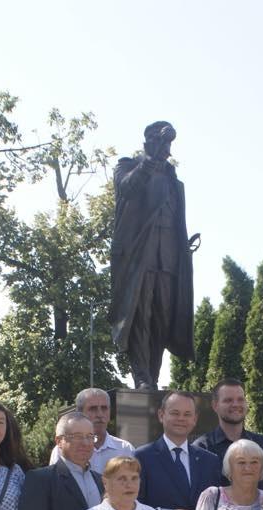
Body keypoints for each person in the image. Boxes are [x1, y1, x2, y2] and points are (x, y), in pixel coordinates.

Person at [109, 121, 195, 389]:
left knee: (162, 318)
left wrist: (183, 246)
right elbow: (126, 188)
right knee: (139, 315)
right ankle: (141, 376)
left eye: (169, 145)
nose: (166, 151)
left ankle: (153, 379)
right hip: (139, 257)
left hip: (169, 259)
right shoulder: (127, 166)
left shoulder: (173, 180)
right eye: (161, 143)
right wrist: (148, 160)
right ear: (148, 143)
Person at [192, 378, 263, 489]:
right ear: (215, 406)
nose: (235, 404)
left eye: (240, 400)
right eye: (228, 400)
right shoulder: (201, 448)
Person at [49, 388, 135, 475]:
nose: (100, 414)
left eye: (104, 408)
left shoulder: (125, 449)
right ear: (79, 413)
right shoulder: (63, 450)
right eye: (93, 409)